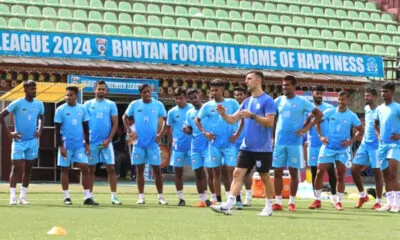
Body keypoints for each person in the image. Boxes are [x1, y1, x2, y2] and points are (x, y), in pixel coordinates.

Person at [210, 71, 276, 216]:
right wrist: (223, 114)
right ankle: (228, 205)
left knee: (264, 176)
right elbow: (233, 119)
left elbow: (270, 122)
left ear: (258, 81)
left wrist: (253, 116)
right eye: (246, 79)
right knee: (237, 173)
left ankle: (269, 207)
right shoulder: (247, 101)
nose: (246, 81)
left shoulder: (268, 100)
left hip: (262, 147)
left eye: (249, 79)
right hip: (246, 146)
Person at [272, 75, 322, 212]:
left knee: (294, 172)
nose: (285, 88)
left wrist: (306, 128)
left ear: (294, 86)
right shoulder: (278, 101)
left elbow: (319, 114)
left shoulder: (302, 101)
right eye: (283, 85)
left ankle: (292, 202)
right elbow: (273, 118)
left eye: (287, 85)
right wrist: (272, 136)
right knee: (277, 171)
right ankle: (277, 201)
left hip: (295, 143)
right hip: (279, 142)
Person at [309, 91, 363, 210]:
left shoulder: (352, 116)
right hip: (328, 148)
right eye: (339, 99)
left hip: (342, 150)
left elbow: (361, 130)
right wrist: (321, 136)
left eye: (343, 100)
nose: (340, 102)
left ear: (348, 101)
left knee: (340, 175)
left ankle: (338, 201)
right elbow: (317, 121)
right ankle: (317, 200)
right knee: (319, 172)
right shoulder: (330, 112)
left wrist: (351, 141)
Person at [196, 78, 240, 205]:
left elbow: (241, 118)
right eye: (212, 90)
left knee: (232, 171)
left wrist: (237, 134)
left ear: (223, 90)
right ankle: (219, 200)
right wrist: (205, 133)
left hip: (229, 144)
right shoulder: (207, 106)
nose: (213, 93)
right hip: (214, 144)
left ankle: (236, 199)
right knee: (215, 172)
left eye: (216, 90)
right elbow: (197, 120)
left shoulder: (232, 103)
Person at [122, 84, 168, 205]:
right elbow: (124, 117)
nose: (147, 94)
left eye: (148, 92)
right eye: (144, 92)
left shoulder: (158, 104)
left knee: (157, 170)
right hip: (138, 144)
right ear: (140, 93)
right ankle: (141, 197)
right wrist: (130, 131)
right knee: (139, 171)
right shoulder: (134, 104)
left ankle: (161, 197)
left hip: (153, 144)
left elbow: (166, 119)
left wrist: (160, 134)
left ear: (151, 92)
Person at [0, 80, 44, 205]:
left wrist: (40, 130)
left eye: (35, 89)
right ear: (25, 90)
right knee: (16, 167)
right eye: (31, 89)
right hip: (19, 141)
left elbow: (42, 118)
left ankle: (22, 198)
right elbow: (1, 116)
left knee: (28, 168)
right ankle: (12, 197)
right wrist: (9, 133)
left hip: (33, 141)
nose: (34, 91)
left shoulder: (39, 104)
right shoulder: (17, 103)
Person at [55, 86, 97, 205]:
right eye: (67, 95)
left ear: (76, 97)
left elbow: (85, 127)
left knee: (84, 167)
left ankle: (87, 197)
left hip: (79, 145)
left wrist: (87, 144)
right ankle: (67, 197)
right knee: (65, 169)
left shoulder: (82, 109)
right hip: (66, 145)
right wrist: (61, 146)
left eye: (71, 95)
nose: (68, 97)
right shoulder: (60, 109)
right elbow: (57, 130)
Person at [84, 80, 121, 205]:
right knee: (90, 169)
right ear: (94, 90)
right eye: (98, 89)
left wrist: (109, 139)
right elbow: (83, 123)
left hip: (106, 142)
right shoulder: (87, 104)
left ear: (106, 91)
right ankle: (89, 196)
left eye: (103, 89)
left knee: (111, 168)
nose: (101, 91)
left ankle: (114, 196)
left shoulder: (111, 104)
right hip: (92, 142)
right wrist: (86, 141)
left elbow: (115, 123)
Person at [304, 85, 337, 206]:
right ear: (312, 93)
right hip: (312, 144)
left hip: (326, 144)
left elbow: (333, 123)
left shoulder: (329, 108)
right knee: (314, 171)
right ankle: (317, 199)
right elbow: (304, 125)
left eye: (321, 93)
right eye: (317, 93)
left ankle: (334, 197)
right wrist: (309, 118)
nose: (319, 95)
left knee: (330, 170)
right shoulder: (307, 108)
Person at [351, 88, 383, 210]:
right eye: (365, 96)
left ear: (374, 97)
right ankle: (363, 195)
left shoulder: (380, 110)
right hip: (365, 144)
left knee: (377, 174)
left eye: (368, 96)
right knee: (354, 169)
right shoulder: (366, 109)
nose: (366, 98)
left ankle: (379, 201)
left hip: (376, 147)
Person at [184, 88, 213, 207]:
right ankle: (203, 199)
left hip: (208, 146)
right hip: (195, 147)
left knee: (211, 173)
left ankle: (215, 198)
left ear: (199, 95)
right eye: (190, 99)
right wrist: (187, 131)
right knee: (198, 174)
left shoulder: (207, 109)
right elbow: (189, 129)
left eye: (195, 97)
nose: (193, 100)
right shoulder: (189, 112)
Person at [374, 83, 400, 212]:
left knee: (393, 174)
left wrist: (399, 135)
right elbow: (375, 124)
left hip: (395, 145)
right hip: (382, 145)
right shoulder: (379, 109)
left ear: (392, 92)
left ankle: (398, 203)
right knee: (386, 175)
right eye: (382, 91)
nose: (383, 94)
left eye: (386, 91)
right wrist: (378, 135)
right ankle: (389, 203)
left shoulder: (397, 108)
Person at [166, 87, 193, 206]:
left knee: (200, 171)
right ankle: (181, 198)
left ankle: (204, 198)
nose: (178, 100)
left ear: (186, 98)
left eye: (181, 98)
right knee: (178, 173)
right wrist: (173, 140)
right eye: (176, 98)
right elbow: (169, 127)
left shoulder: (192, 109)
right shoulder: (172, 112)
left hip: (193, 146)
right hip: (178, 147)